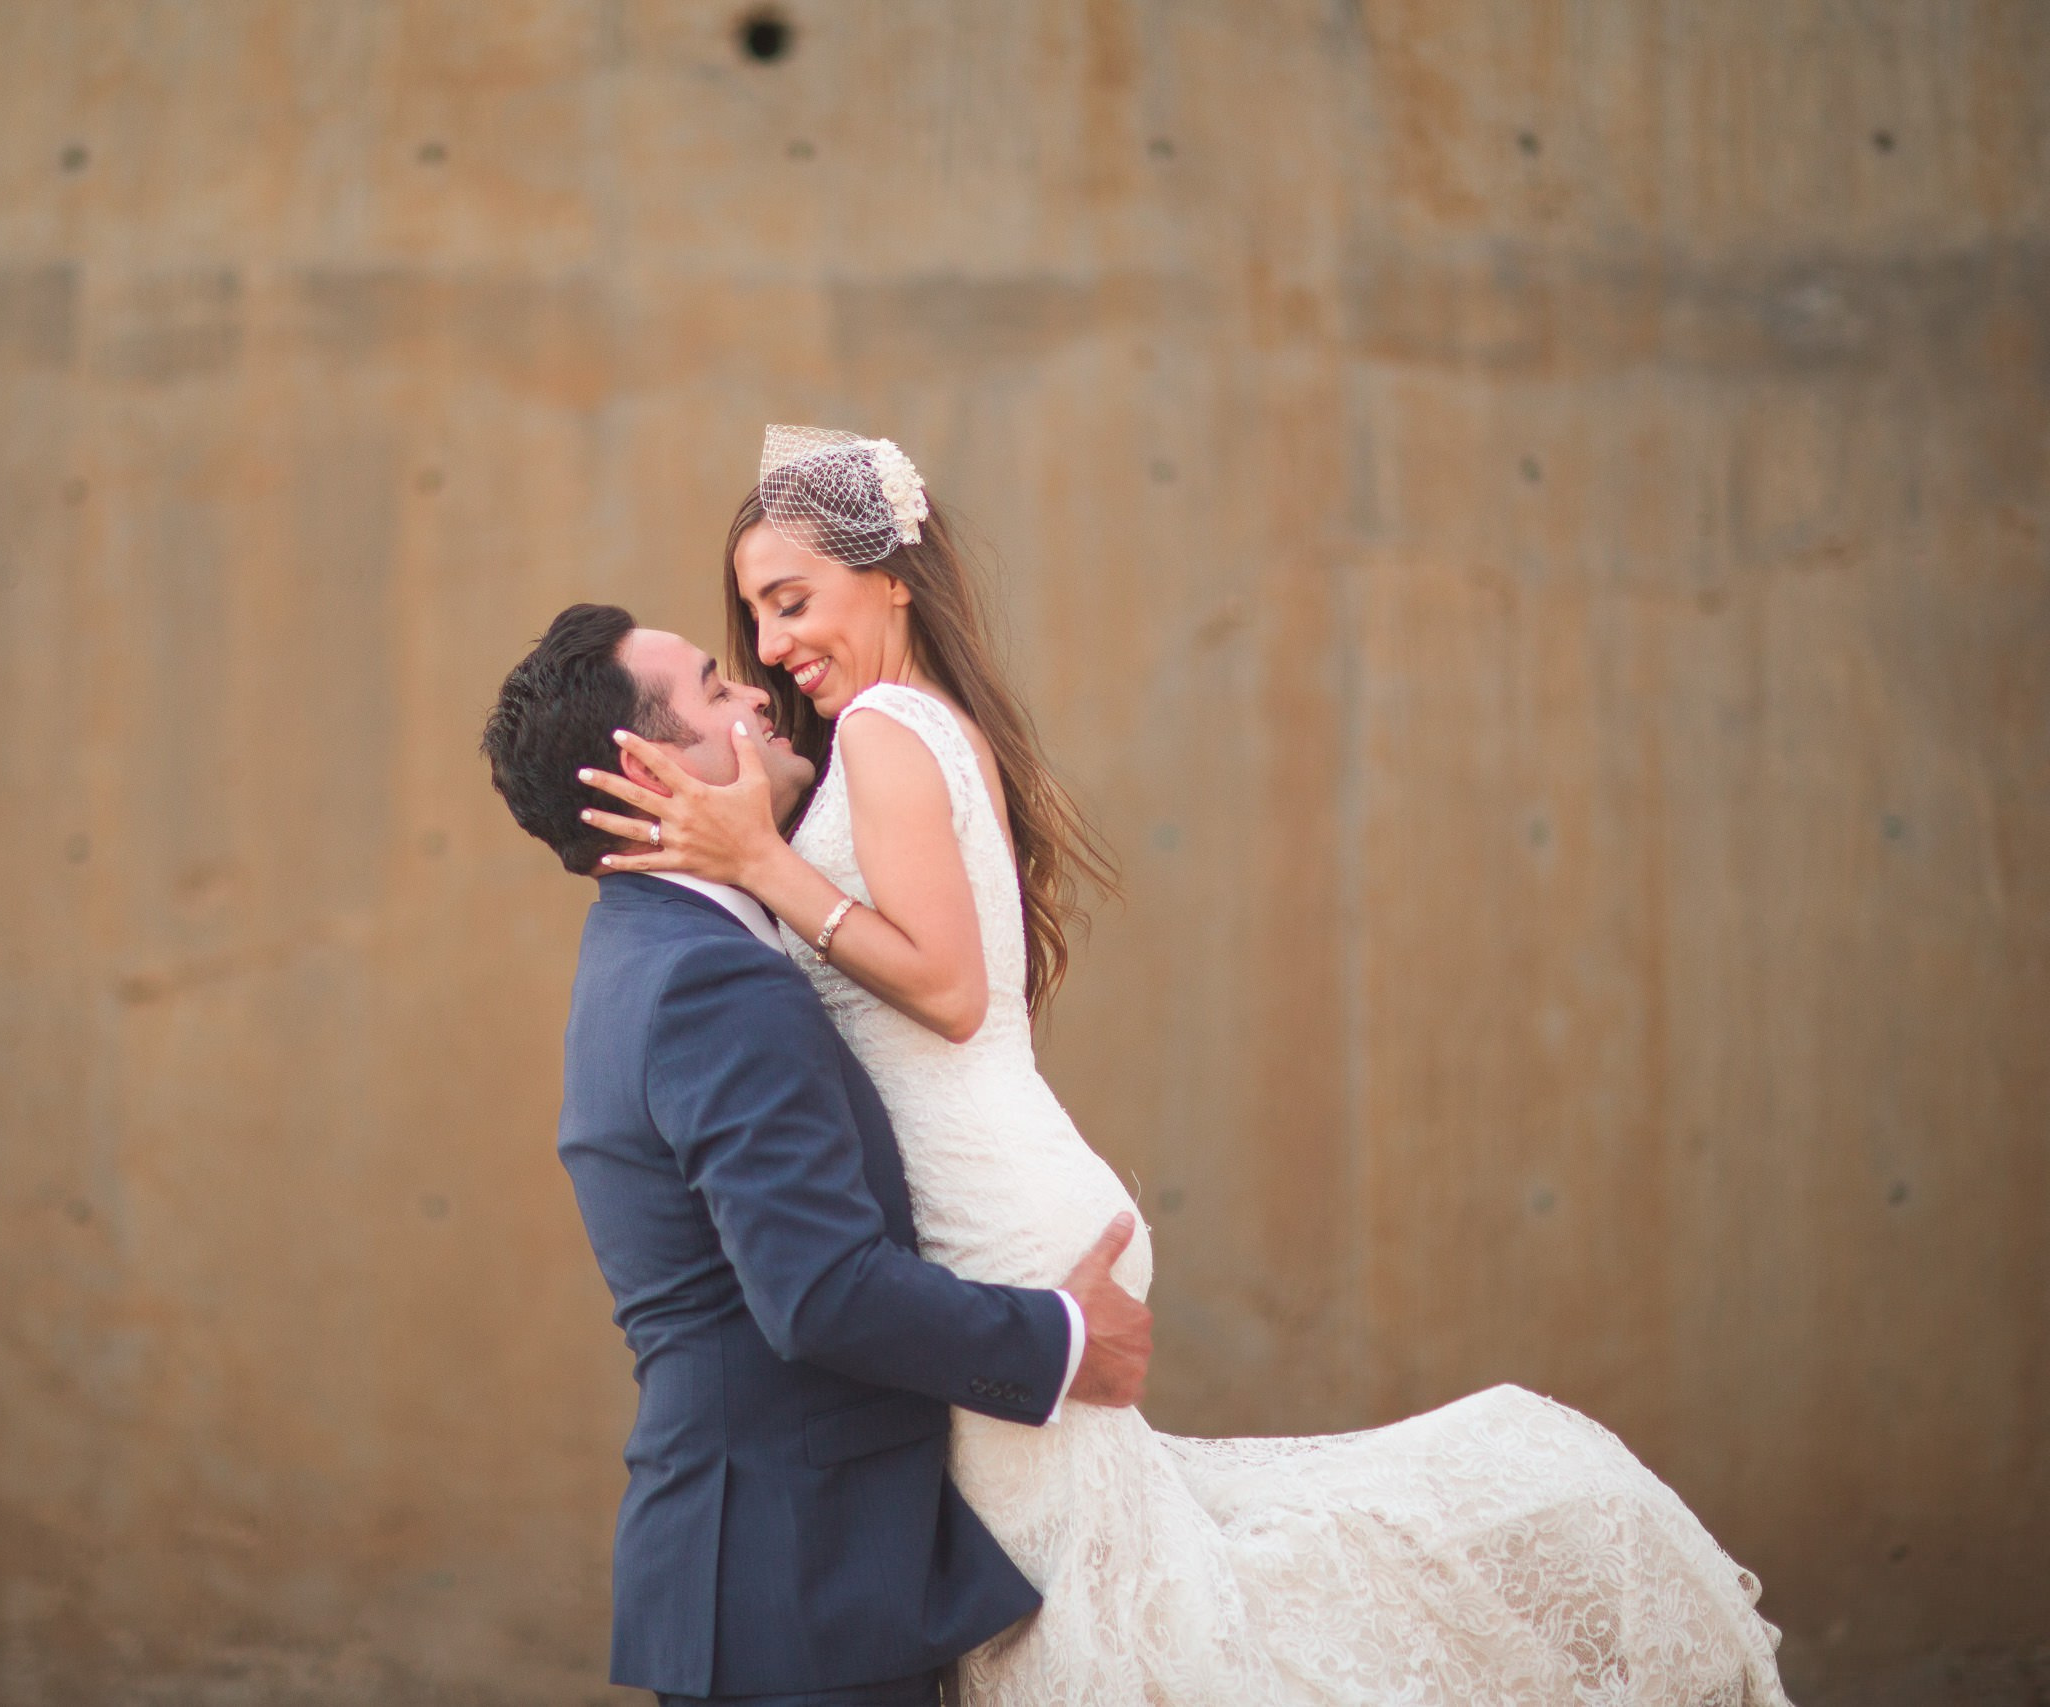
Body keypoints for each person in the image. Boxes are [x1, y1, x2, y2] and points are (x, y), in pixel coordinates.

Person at [573, 425, 1794, 1705]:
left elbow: (945, 987)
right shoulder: (908, 730)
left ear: (889, 577)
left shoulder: (882, 727)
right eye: (751, 622)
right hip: (998, 1194)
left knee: (1080, 1633)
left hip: (991, 1226)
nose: (771, 649)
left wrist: (763, 866)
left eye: (788, 603)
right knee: (1098, 1602)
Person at [480, 601, 1156, 1707]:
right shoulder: (709, 980)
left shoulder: (656, 952)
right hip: (795, 1589)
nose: (756, 688)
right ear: (655, 772)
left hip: (778, 1576)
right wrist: (1067, 1340)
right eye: (712, 685)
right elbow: (820, 1291)